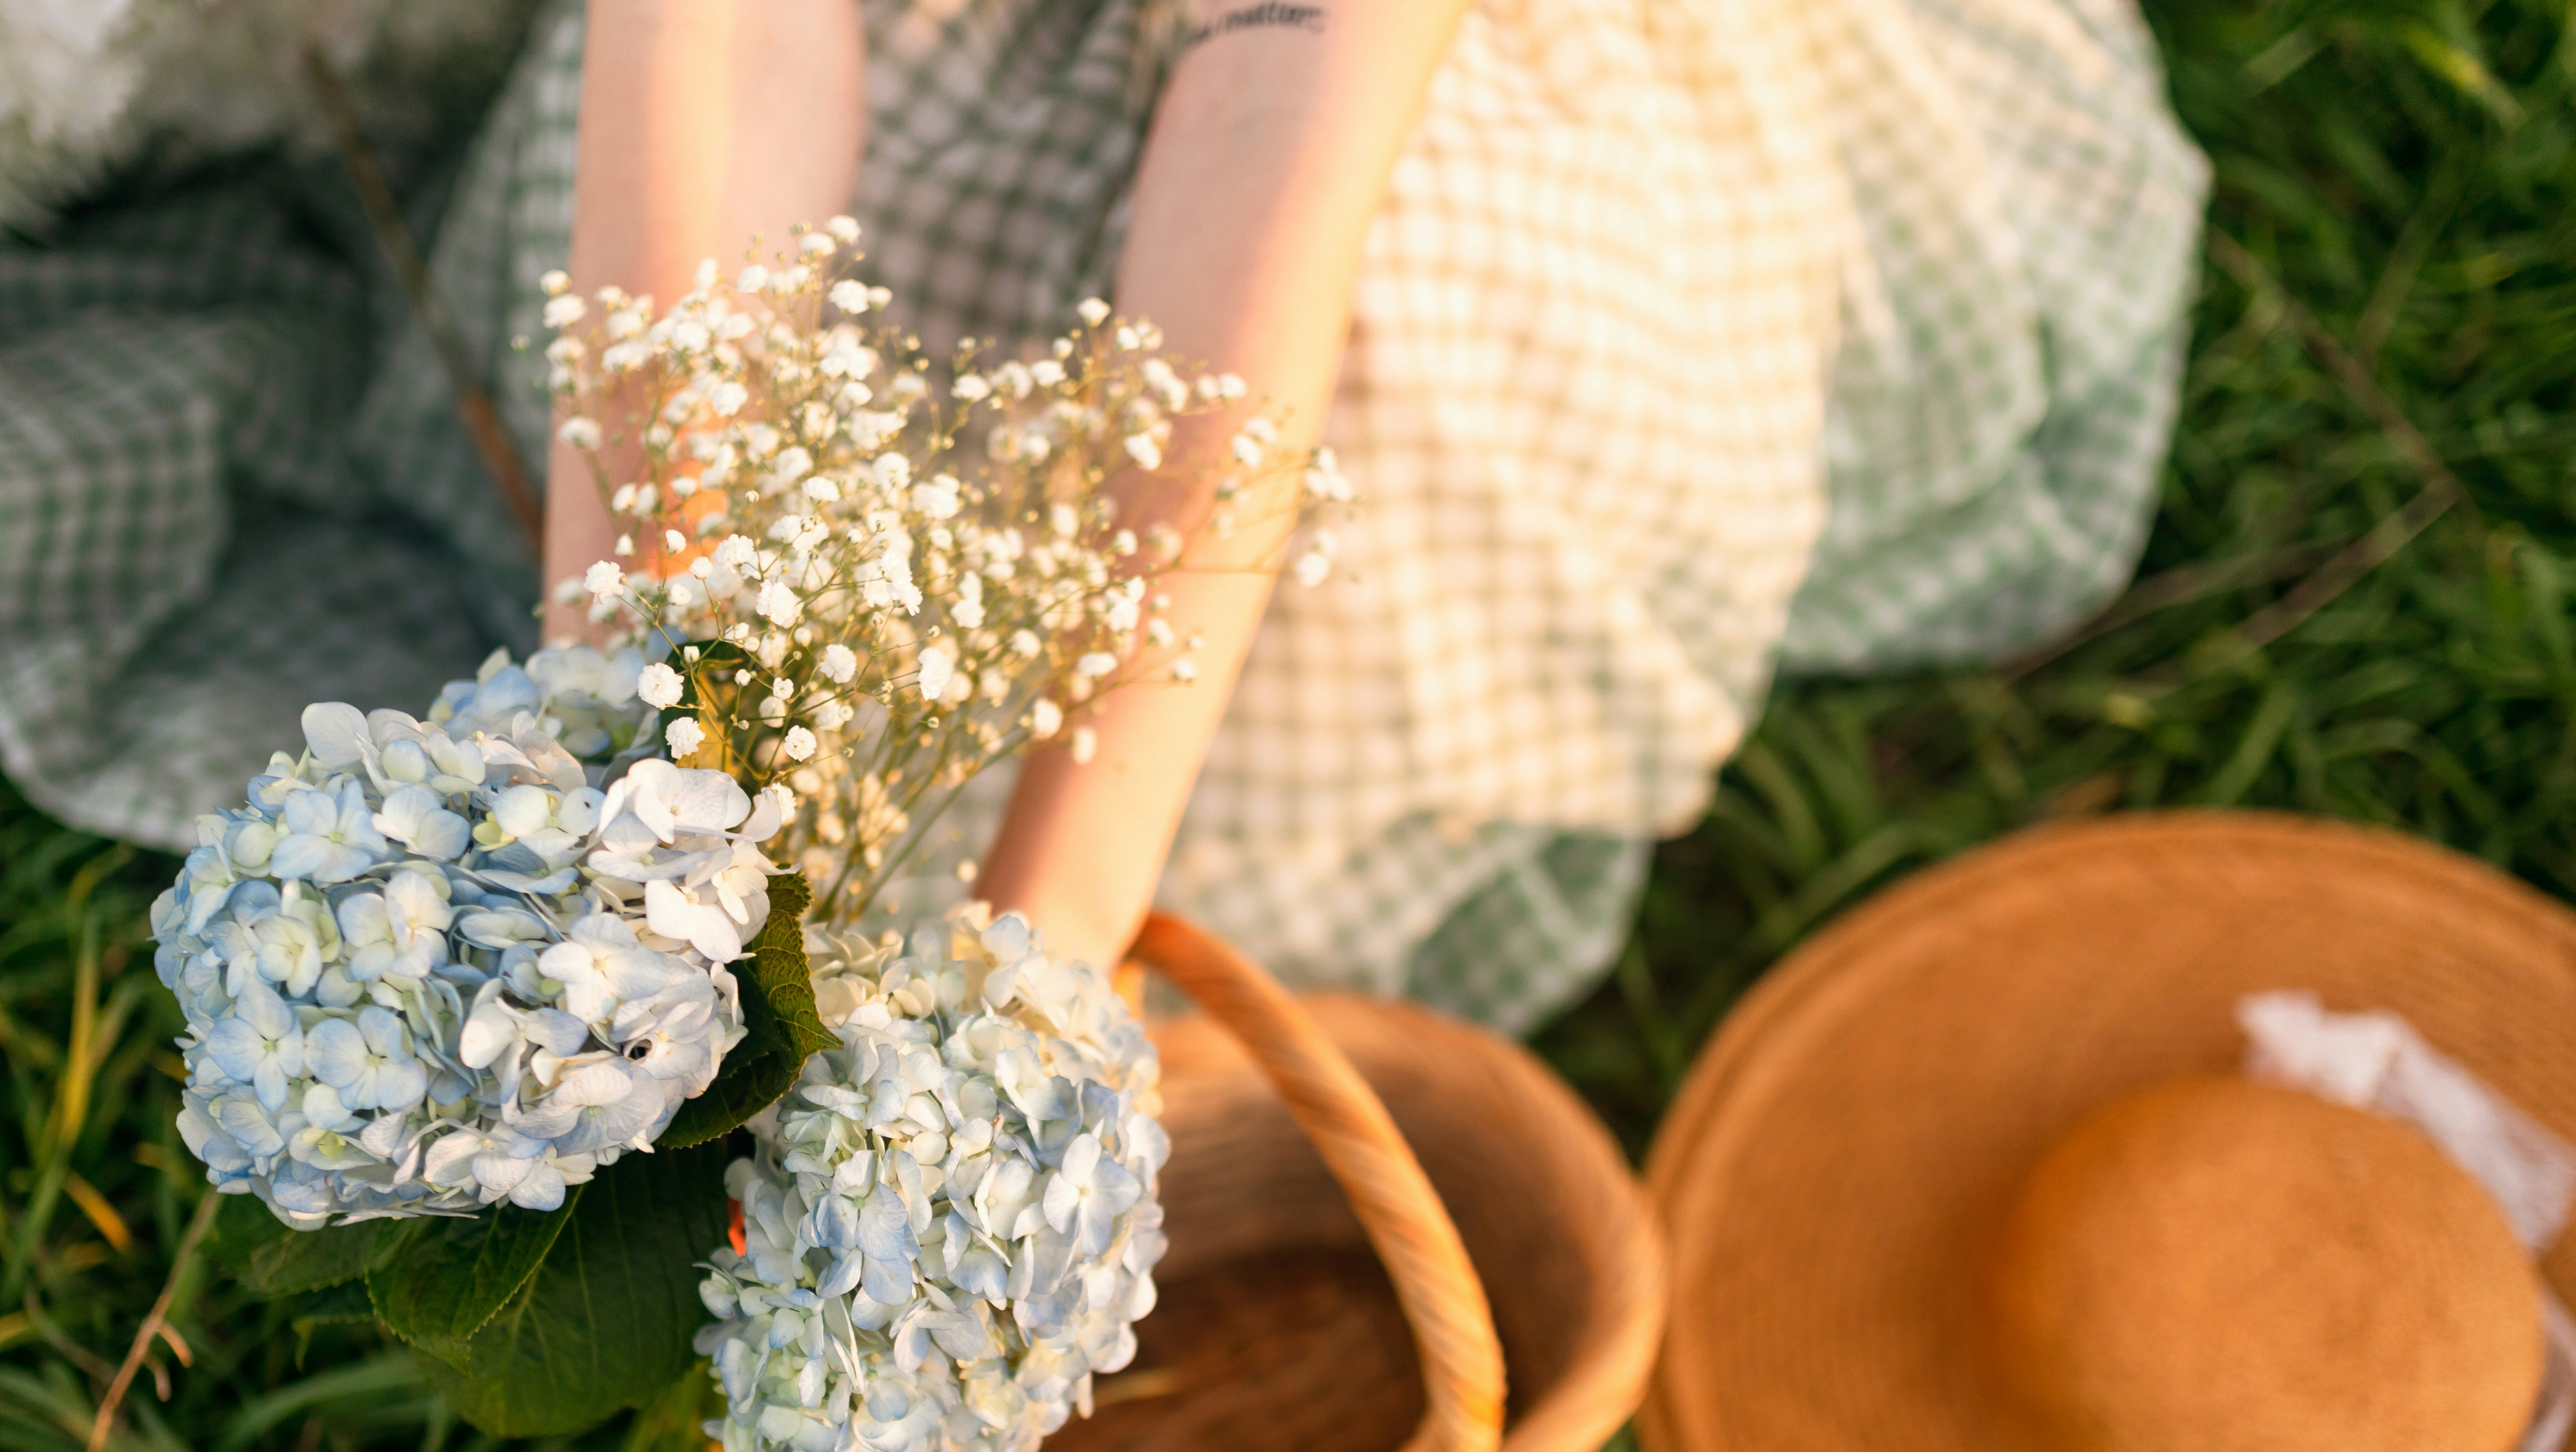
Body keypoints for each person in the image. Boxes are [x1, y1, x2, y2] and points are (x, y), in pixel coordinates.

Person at [0, 0, 2205, 1031]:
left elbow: (1294, 112)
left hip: (1360, 110)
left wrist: (1035, 970)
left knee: (1430, 356)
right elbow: (733, 38)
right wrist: (638, 716)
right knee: (682, 271)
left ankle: (1186, 914)